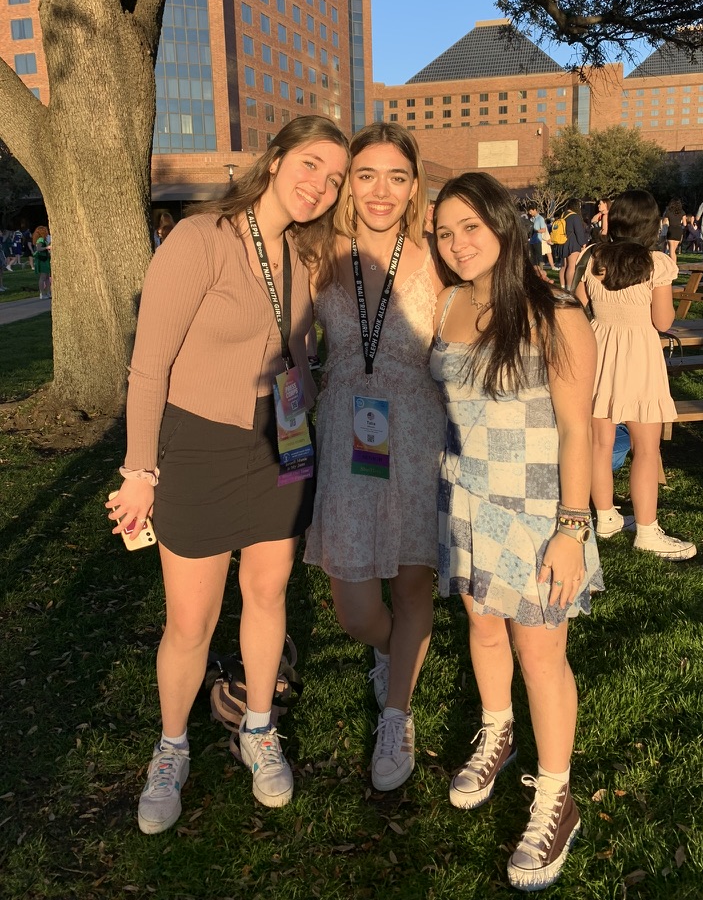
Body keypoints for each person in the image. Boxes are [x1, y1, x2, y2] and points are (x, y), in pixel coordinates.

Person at [105, 116, 350, 834]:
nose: (320, 185)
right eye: (311, 165)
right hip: (200, 446)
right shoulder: (201, 238)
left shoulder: (306, 255)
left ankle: (259, 729)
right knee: (191, 619)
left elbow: (297, 344)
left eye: (333, 178)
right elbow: (150, 364)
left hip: (282, 443)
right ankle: (171, 745)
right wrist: (140, 470)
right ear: (274, 160)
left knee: (268, 591)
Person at [431, 172, 603, 893]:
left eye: (471, 227)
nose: (457, 243)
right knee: (483, 627)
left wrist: (572, 526)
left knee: (540, 652)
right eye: (444, 232)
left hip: (536, 511)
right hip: (463, 500)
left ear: (503, 226)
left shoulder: (554, 312)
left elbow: (578, 430)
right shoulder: (445, 305)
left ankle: (555, 795)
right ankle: (498, 732)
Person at [301, 123, 444, 792]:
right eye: (366, 175)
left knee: (413, 582)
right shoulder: (318, 252)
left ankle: (396, 714)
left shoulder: (438, 256)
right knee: (354, 607)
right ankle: (393, 653)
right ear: (348, 185)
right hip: (346, 427)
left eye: (395, 176)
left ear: (414, 186)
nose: (380, 190)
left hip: (417, 427)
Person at [574, 190, 697, 561]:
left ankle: (606, 516)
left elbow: (575, 306)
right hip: (640, 355)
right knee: (646, 448)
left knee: (598, 443)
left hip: (597, 352)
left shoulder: (590, 257)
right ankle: (646, 529)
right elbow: (663, 321)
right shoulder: (656, 263)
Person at [560, 199, 588, 290]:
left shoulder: (563, 215)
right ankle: (569, 288)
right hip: (573, 243)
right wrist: (583, 243)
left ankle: (563, 286)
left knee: (564, 266)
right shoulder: (575, 216)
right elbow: (579, 232)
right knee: (572, 266)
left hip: (563, 242)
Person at [32, 224, 51, 298]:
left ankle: (47, 292)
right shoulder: (40, 239)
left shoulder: (43, 239)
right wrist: (47, 247)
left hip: (45, 259)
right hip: (42, 260)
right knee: (43, 277)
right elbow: (38, 249)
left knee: (46, 277)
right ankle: (42, 293)